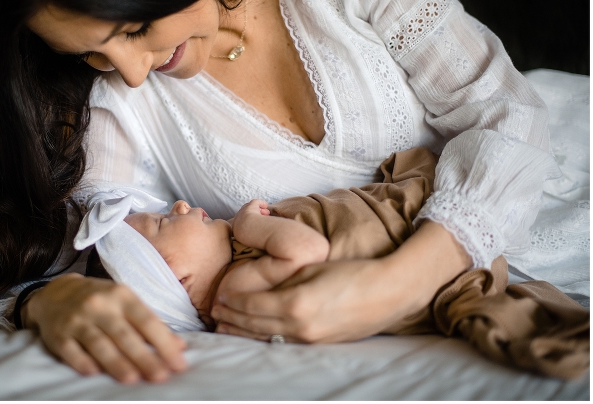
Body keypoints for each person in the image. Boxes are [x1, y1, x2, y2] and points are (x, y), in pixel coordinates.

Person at [0, 0, 560, 384]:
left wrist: (394, 285)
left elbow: (506, 114)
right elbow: (81, 242)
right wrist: (52, 299)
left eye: (135, 27)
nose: (129, 71)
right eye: (91, 53)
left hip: (523, 219)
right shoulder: (107, 100)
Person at [79, 148, 588, 380]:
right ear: (179, 280)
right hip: (412, 242)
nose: (182, 206)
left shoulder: (238, 282)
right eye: (168, 222)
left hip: (436, 246)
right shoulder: (239, 284)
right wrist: (249, 225)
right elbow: (310, 251)